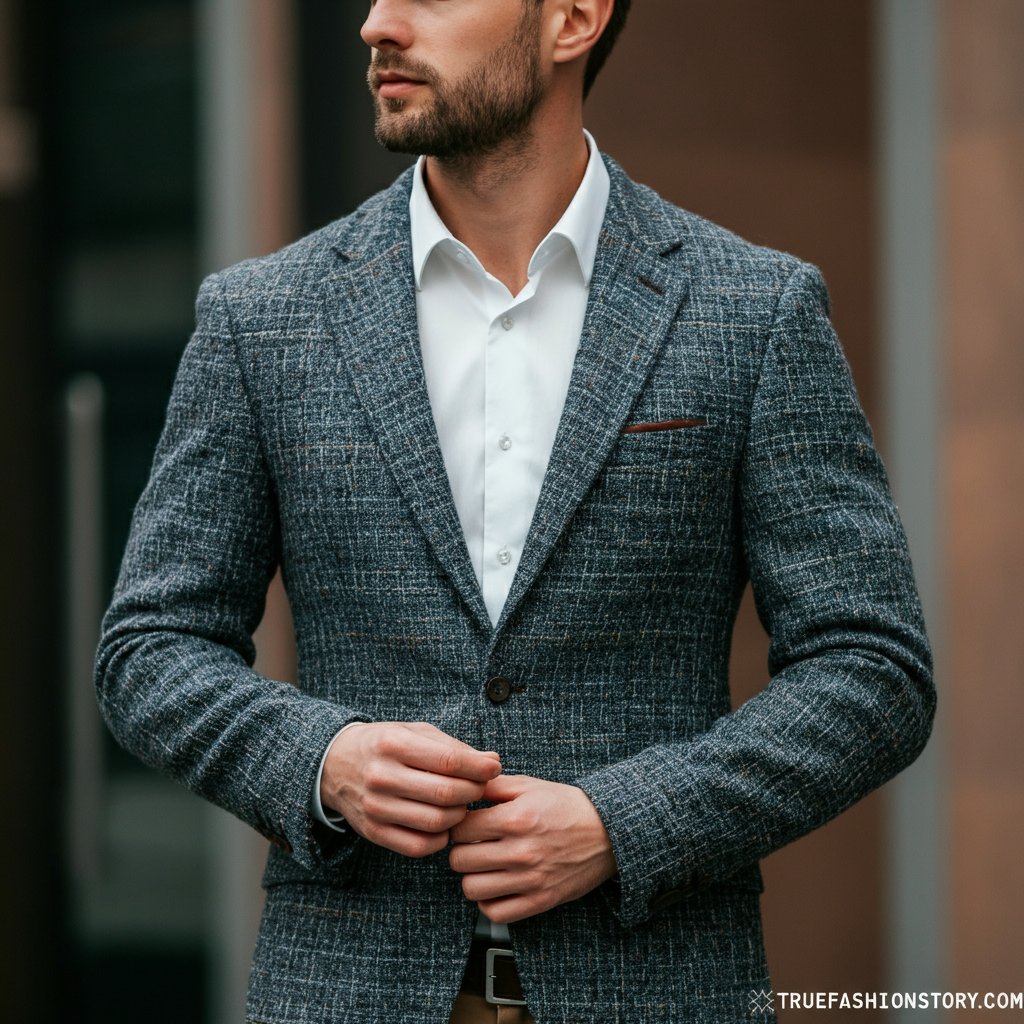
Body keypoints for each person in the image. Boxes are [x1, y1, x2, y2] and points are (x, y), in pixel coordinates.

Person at [96, 1, 935, 1021]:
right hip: (347, 990)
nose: (375, 24)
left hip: (656, 990)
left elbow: (872, 669)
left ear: (573, 19)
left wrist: (624, 823)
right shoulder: (263, 317)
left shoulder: (752, 311)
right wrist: (323, 761)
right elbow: (149, 648)